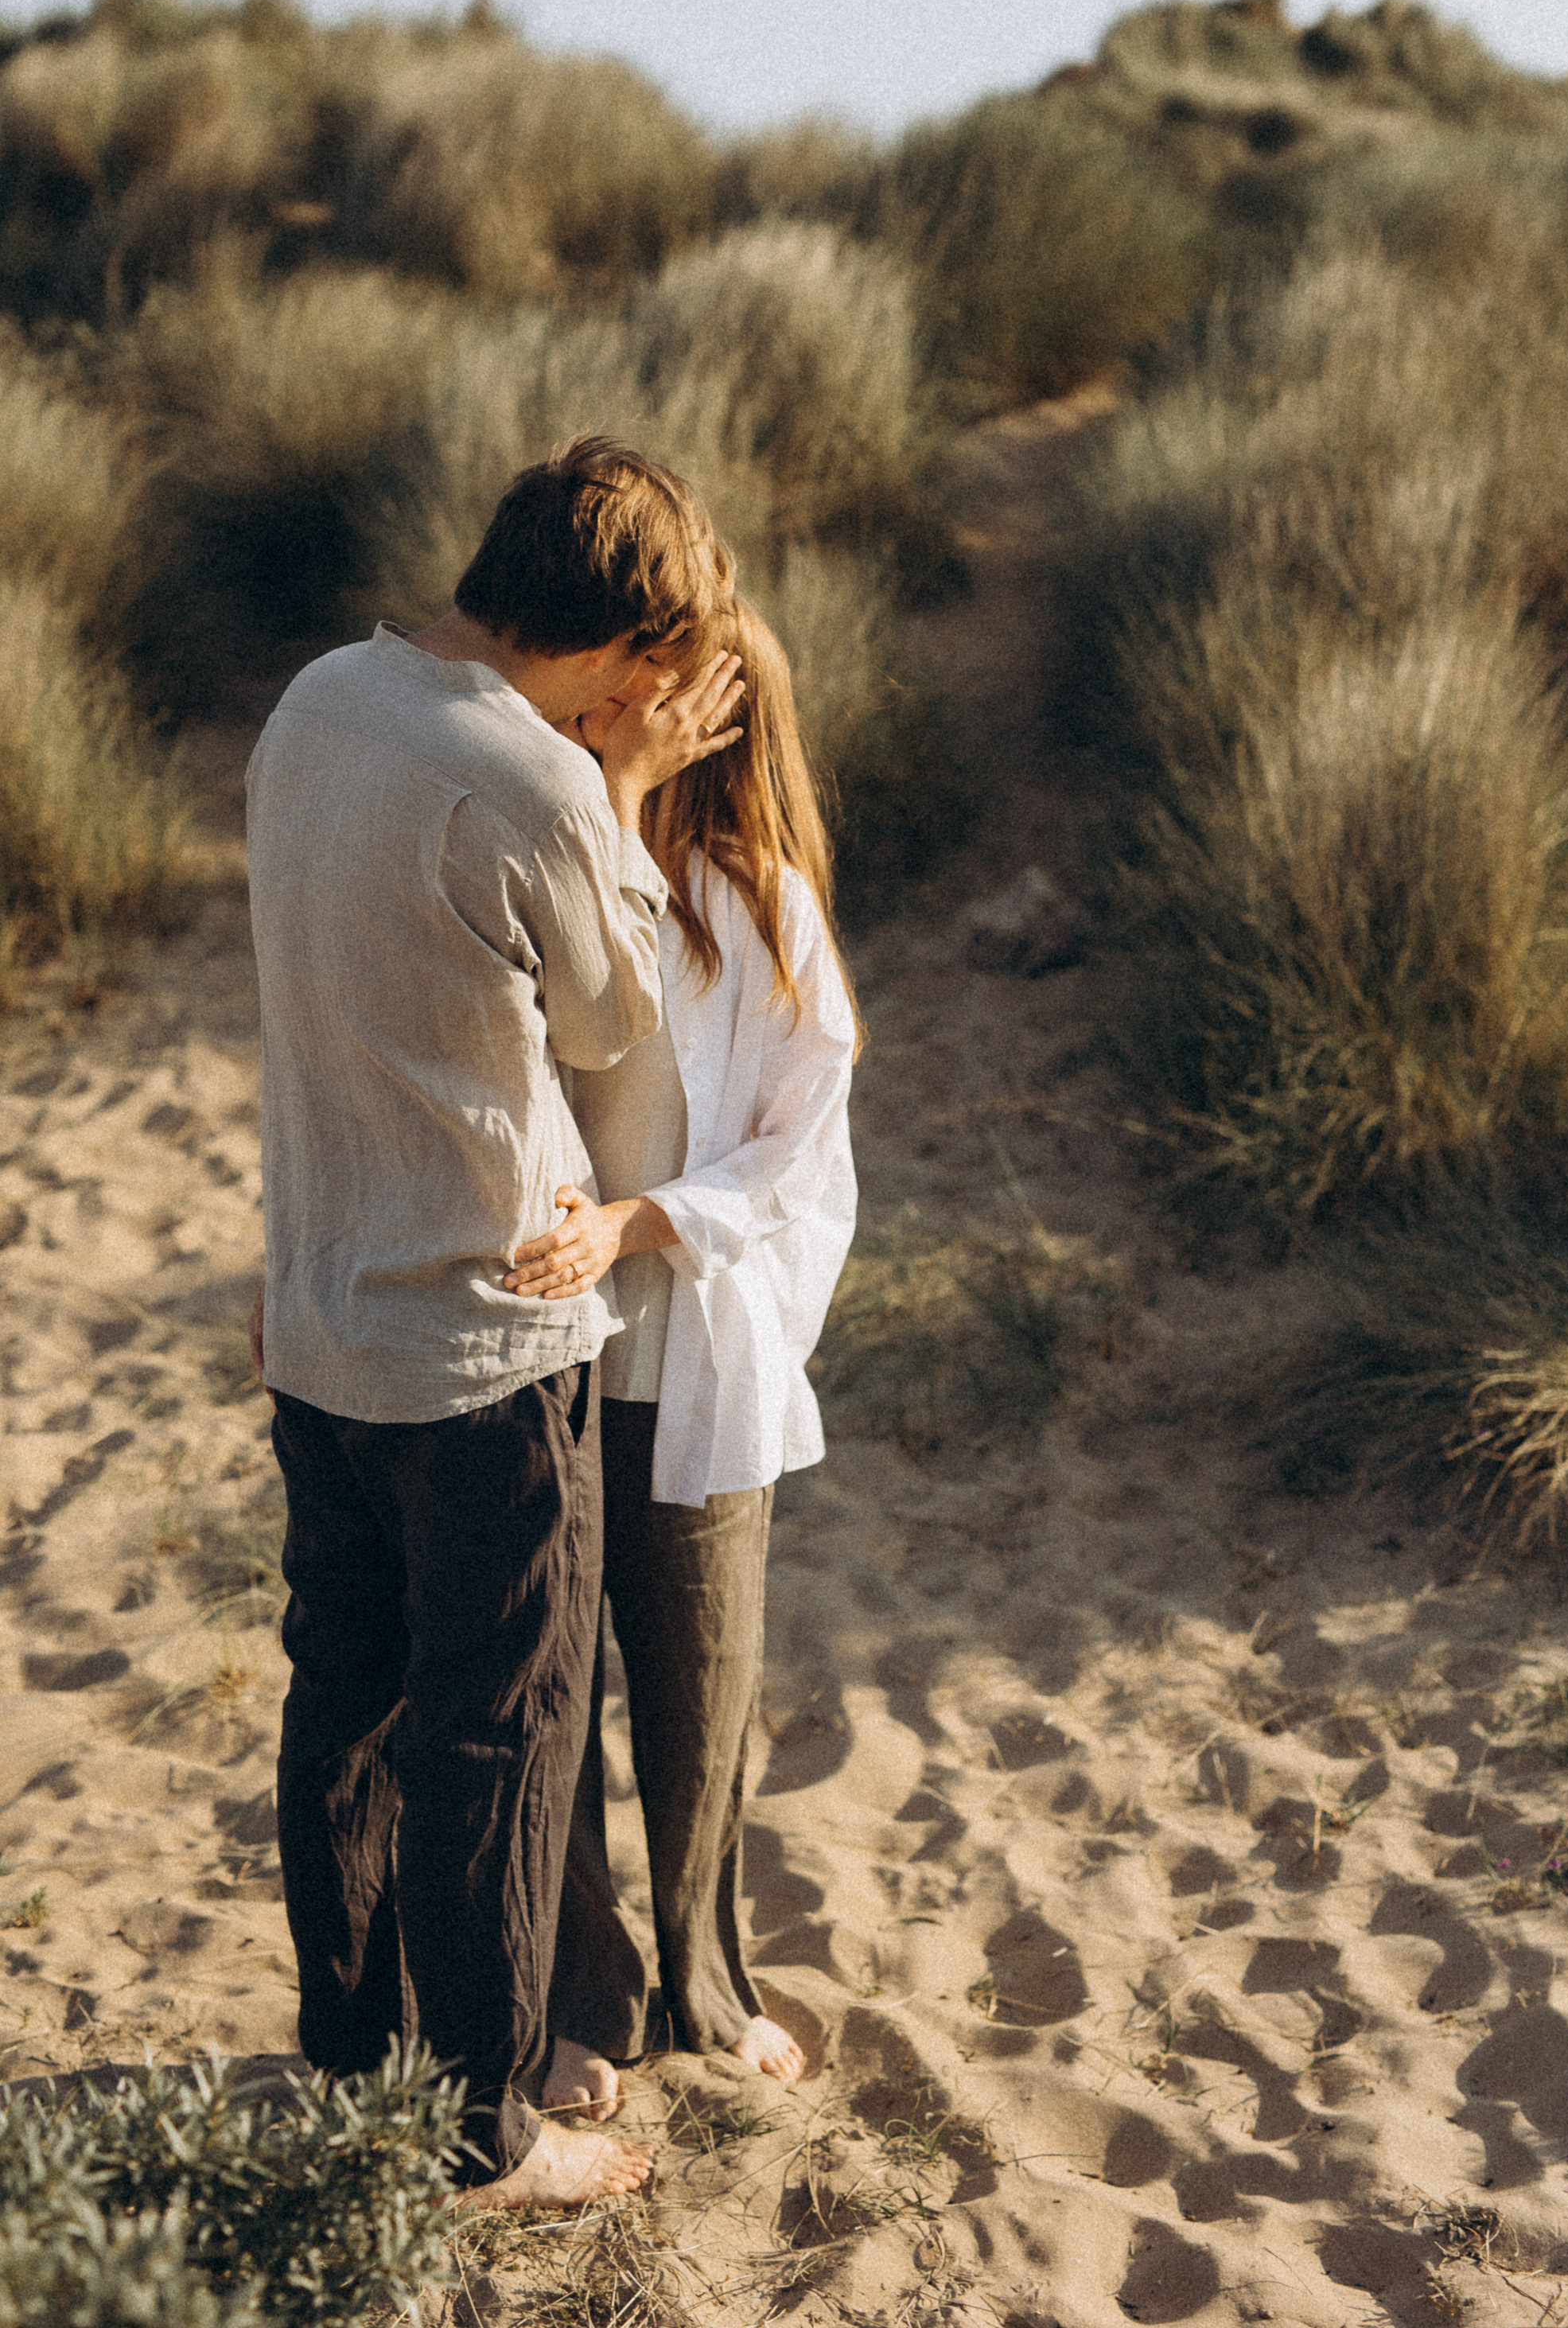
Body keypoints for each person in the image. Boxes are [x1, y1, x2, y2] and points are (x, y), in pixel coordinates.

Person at [246, 437, 741, 2210]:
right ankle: (481, 2133)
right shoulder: (532, 782)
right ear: (624, 647)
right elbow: (617, 1026)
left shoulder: (314, 704)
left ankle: (356, 2069)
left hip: (317, 1314)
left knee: (350, 1704)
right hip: (484, 1343)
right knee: (503, 1728)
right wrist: (613, 791)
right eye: (657, 672)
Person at [500, 597, 860, 2122]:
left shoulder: (772, 908)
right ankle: (589, 1997)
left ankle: (709, 1984)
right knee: (560, 1696)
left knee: (704, 1700)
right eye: (615, 698)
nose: (617, 717)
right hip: (546, 1352)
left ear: (725, 717)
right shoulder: (558, 866)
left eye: (662, 698)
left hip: (702, 1361)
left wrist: (648, 1218)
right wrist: (615, 805)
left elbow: (799, 1158)